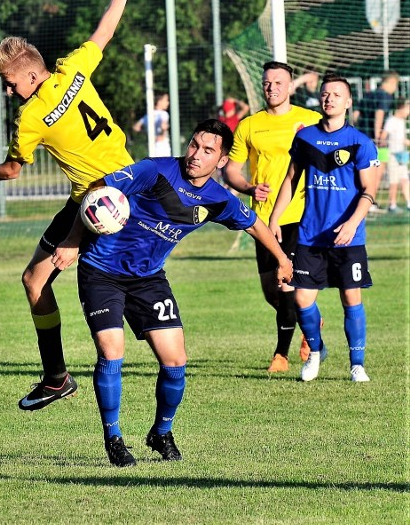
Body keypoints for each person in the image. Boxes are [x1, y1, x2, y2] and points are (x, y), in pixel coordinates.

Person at [0, 0, 145, 411]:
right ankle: (58, 377)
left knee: (48, 280)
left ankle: (59, 376)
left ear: (30, 76)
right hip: (127, 184)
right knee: (39, 277)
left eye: (10, 84)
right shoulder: (71, 70)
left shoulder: (29, 119)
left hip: (97, 200)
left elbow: (12, 172)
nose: (9, 92)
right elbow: (104, 32)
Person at [51, 119, 292, 466]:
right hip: (102, 272)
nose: (195, 154)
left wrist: (282, 259)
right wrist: (73, 239)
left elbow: (253, 223)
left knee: (176, 361)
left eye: (208, 150)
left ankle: (161, 432)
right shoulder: (156, 170)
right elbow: (98, 188)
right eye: (194, 144)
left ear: (222, 161)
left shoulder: (219, 199)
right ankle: (114, 438)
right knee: (111, 350)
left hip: (149, 279)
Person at [268, 73, 379, 383]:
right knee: (302, 299)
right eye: (325, 93)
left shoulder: (360, 142)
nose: (329, 98)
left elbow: (370, 191)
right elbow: (291, 180)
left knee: (351, 298)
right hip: (310, 235)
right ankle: (315, 352)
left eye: (336, 94)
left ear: (348, 102)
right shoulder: (305, 138)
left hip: (348, 237)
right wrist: (275, 219)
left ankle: (357, 364)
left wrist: (352, 223)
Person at [222, 61, 322, 373]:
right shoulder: (250, 125)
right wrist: (249, 187)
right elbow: (231, 170)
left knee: (285, 284)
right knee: (273, 294)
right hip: (262, 220)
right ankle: (310, 322)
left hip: (299, 215)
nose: (272, 87)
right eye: (267, 82)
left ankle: (281, 355)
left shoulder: (310, 121)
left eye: (279, 82)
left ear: (290, 86)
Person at [355, 71, 400, 211]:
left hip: (362, 137)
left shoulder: (368, 95)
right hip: (377, 141)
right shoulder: (385, 96)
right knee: (376, 172)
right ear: (392, 82)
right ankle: (370, 202)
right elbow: (379, 114)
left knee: (362, 171)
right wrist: (378, 136)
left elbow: (356, 114)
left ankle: (363, 201)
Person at [383, 98, 410, 212]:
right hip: (393, 155)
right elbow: (384, 135)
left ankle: (409, 203)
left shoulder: (402, 122)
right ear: (401, 108)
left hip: (401, 155)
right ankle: (392, 205)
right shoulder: (391, 120)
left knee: (405, 179)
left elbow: (403, 139)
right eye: (408, 109)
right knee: (393, 181)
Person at [132, 92, 171, 157]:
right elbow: (163, 126)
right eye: (166, 100)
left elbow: (135, 127)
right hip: (162, 146)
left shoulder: (148, 115)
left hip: (151, 145)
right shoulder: (163, 114)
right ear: (159, 101)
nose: (168, 103)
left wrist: (147, 133)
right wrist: (162, 134)